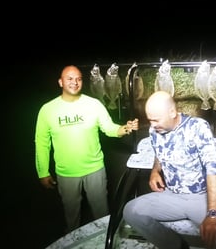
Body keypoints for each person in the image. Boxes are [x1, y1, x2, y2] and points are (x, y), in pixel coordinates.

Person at [123, 90, 216, 249]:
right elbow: (160, 151)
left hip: (201, 197)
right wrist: (155, 171)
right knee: (131, 210)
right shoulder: (155, 130)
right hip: (171, 195)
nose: (151, 125)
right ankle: (176, 248)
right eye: (149, 120)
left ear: (173, 112)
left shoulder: (198, 128)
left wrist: (213, 214)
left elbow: (212, 169)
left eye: (155, 120)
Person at [35, 65, 139, 233]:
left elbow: (109, 128)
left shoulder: (94, 104)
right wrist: (43, 172)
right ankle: (75, 247)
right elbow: (41, 142)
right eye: (70, 78)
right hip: (66, 172)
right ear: (61, 82)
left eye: (78, 79)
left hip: (95, 169)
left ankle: (103, 245)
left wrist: (125, 128)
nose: (75, 82)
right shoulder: (47, 110)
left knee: (102, 215)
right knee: (71, 216)